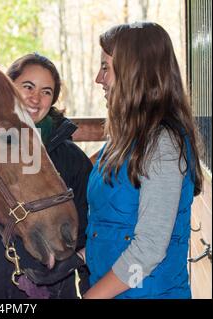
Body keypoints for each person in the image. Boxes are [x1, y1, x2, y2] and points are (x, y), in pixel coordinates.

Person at [82, 22, 204, 299]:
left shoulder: (164, 144)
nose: (98, 79)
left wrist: (91, 297)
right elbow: (110, 227)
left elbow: (149, 250)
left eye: (105, 68)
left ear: (133, 73)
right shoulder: (122, 141)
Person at [0, 53, 93, 299]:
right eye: (28, 87)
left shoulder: (72, 160)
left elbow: (86, 233)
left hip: (49, 291)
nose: (36, 97)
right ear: (8, 88)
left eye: (46, 91)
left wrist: (79, 284)